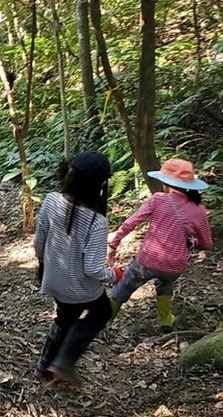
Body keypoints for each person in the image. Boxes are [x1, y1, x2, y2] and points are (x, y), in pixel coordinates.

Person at [34, 151, 123, 386]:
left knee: (64, 318)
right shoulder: (96, 221)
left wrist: (43, 265)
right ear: (100, 185)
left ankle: (44, 367)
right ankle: (63, 361)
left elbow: (39, 241)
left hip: (53, 280)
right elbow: (93, 269)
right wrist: (114, 275)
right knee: (101, 313)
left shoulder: (51, 200)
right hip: (80, 289)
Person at [107, 158, 212, 331]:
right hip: (174, 267)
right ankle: (165, 321)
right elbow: (206, 243)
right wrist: (193, 242)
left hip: (147, 260)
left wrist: (113, 245)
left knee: (125, 285)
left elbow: (131, 223)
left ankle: (105, 320)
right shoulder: (199, 209)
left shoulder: (158, 200)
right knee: (165, 284)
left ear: (167, 183)